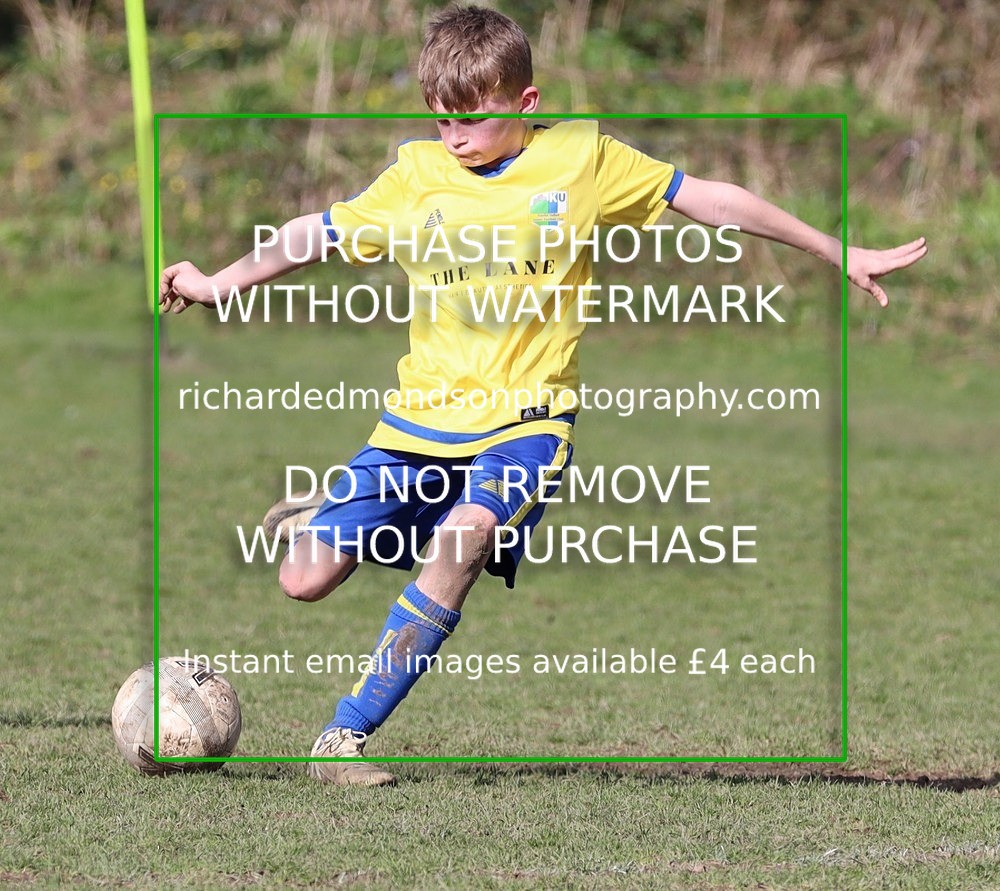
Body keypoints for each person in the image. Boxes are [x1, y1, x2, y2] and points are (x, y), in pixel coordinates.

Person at [160, 4, 927, 786]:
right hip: (419, 421)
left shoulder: (580, 160)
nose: (455, 135)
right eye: (441, 118)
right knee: (303, 580)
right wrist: (217, 283)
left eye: (473, 117)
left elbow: (712, 200)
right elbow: (314, 233)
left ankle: (343, 737)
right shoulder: (414, 177)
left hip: (528, 422)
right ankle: (330, 518)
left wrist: (836, 249)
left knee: (463, 541)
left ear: (525, 103)